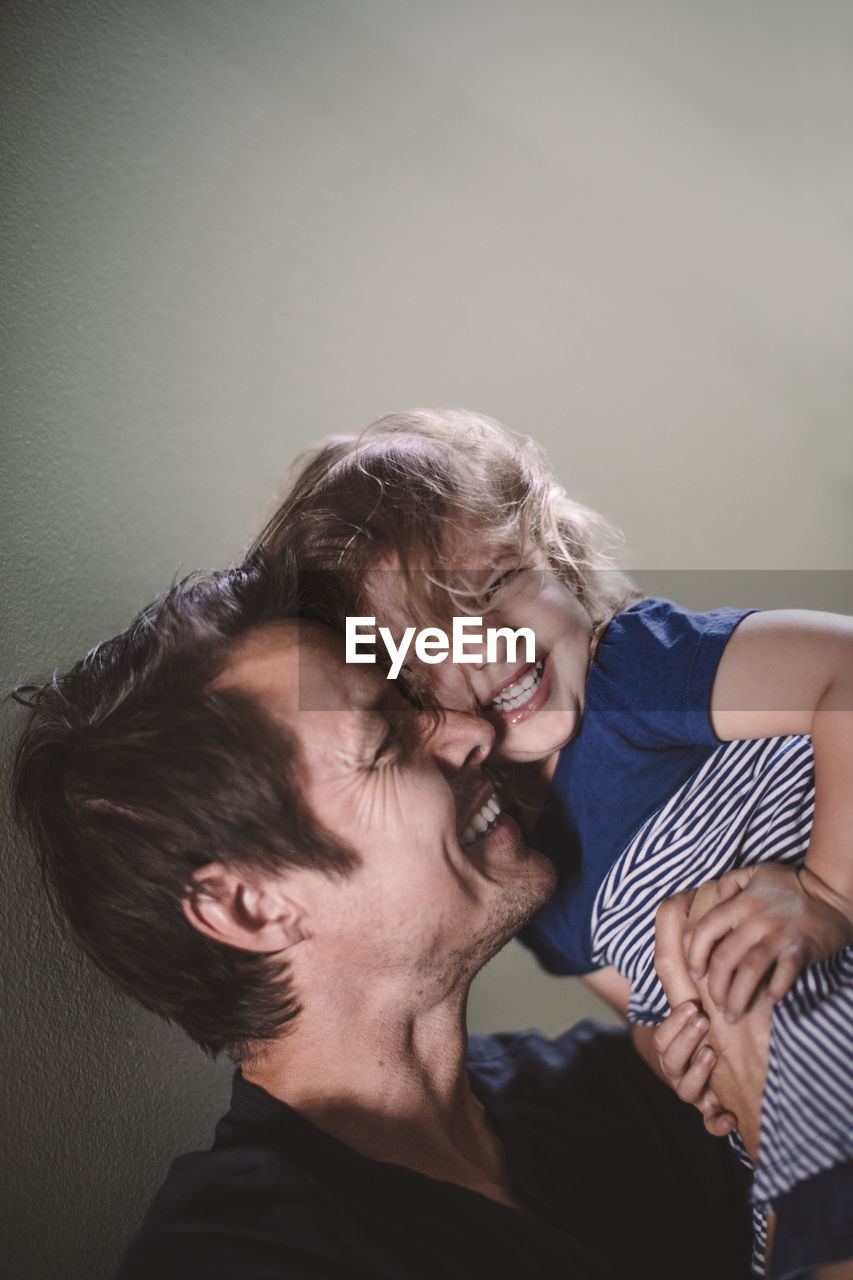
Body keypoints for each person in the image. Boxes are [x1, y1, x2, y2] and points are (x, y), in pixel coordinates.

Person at [11, 564, 765, 1279]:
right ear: (251, 906)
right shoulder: (241, 1258)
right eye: (382, 743)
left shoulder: (638, 1085)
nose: (468, 731)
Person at [249, 408, 853, 1235]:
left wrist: (826, 894)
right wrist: (681, 1057)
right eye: (430, 645)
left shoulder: (634, 671)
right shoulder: (510, 856)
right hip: (787, 1061)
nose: (487, 648)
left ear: (561, 561)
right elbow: (637, 996)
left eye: (497, 586)